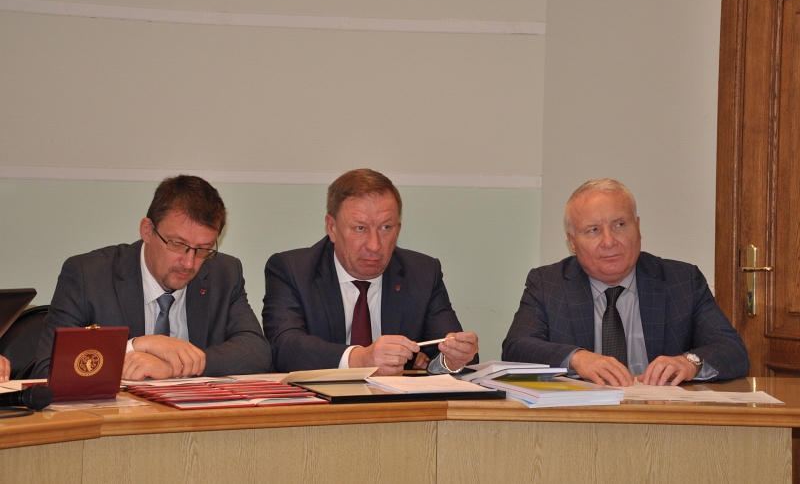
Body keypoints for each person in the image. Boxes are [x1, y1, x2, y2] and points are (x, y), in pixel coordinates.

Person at [502, 178, 749, 386]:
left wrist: (690, 362)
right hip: (581, 418)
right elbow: (516, 348)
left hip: (661, 417)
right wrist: (577, 358)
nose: (609, 241)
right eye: (593, 230)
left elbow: (732, 350)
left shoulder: (682, 281)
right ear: (573, 242)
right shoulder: (548, 284)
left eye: (619, 225)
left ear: (637, 227)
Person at [33, 175, 272, 380]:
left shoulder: (224, 273)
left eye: (203, 249)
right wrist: (137, 345)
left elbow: (256, 352)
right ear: (147, 231)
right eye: (177, 244)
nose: (189, 263)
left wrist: (174, 366)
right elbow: (46, 370)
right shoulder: (89, 275)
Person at [263, 168, 478, 375]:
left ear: (398, 229)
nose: (374, 245)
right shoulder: (292, 270)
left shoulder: (423, 273)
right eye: (360, 228)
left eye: (385, 228)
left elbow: (448, 351)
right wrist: (359, 359)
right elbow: (285, 347)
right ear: (332, 228)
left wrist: (451, 361)